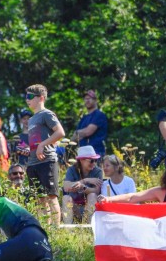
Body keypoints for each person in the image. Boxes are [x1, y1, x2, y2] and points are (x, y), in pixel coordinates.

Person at [24, 84, 66, 225]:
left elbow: (60, 132)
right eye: (26, 97)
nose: (27, 100)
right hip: (33, 163)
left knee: (51, 196)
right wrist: (27, 149)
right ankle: (46, 231)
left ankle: (55, 230)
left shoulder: (47, 114)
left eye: (30, 96)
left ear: (41, 98)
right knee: (40, 198)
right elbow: (36, 141)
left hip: (47, 161)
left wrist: (42, 145)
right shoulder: (31, 119)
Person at [63, 145, 103, 223]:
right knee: (66, 198)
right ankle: (68, 229)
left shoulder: (98, 171)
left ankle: (89, 226)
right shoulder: (72, 170)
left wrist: (83, 188)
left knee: (92, 195)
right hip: (74, 207)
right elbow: (66, 187)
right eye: (91, 161)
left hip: (90, 206)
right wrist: (85, 181)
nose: (94, 163)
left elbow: (97, 191)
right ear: (81, 160)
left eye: (95, 160)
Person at [72, 89, 108, 157]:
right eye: (85, 98)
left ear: (95, 100)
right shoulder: (84, 118)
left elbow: (88, 132)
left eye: (90, 98)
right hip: (83, 153)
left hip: (96, 152)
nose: (87, 100)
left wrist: (78, 133)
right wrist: (78, 133)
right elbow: (74, 137)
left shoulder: (99, 115)